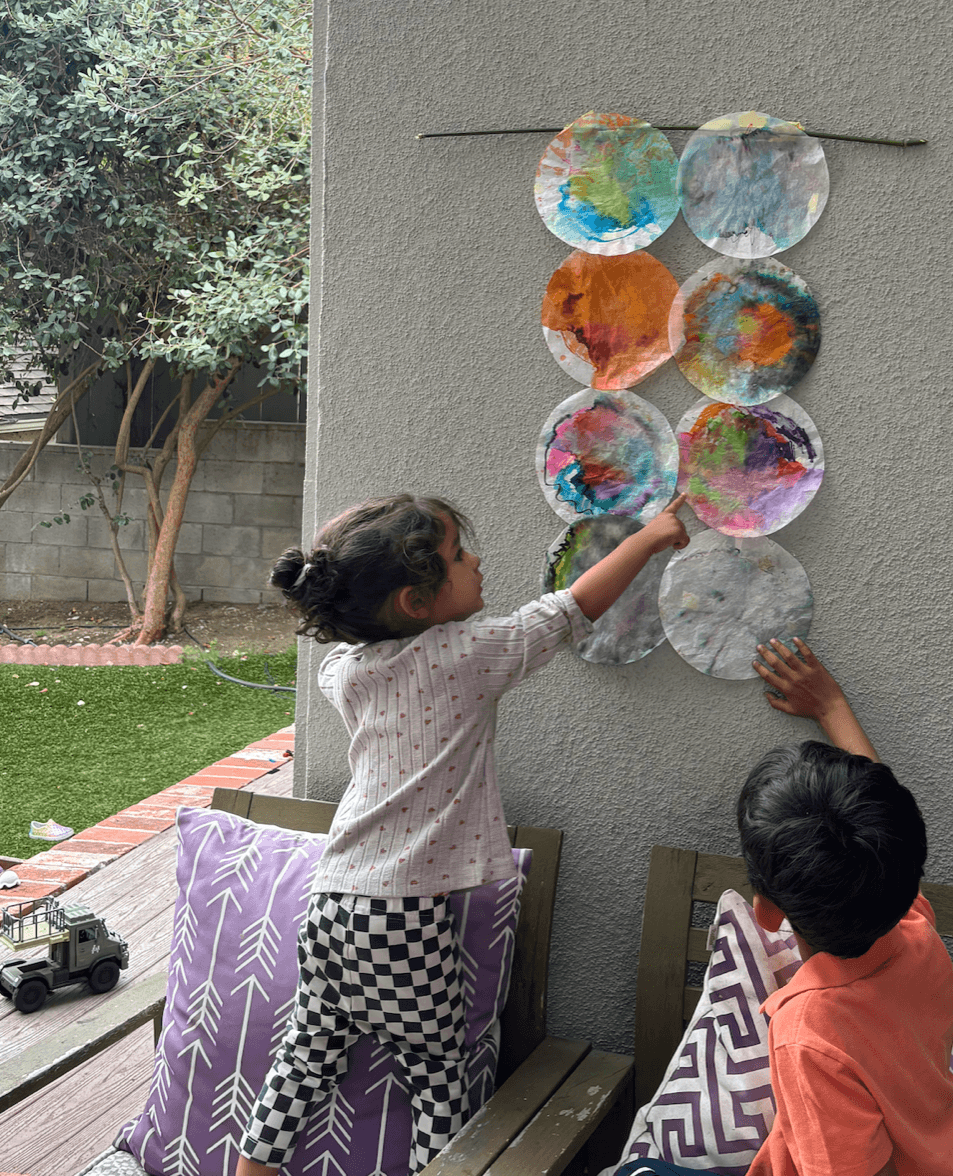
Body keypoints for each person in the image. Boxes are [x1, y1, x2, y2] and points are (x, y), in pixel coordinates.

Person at [236, 491, 690, 1176]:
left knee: (308, 1053)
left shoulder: (345, 672)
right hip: (399, 916)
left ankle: (250, 1169)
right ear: (416, 603)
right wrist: (651, 537)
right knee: (440, 1066)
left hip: (330, 901)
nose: (476, 560)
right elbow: (569, 608)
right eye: (457, 555)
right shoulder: (463, 655)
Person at [739, 635, 953, 1176]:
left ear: (765, 912)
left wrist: (832, 706)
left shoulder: (808, 1034)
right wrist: (832, 707)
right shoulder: (914, 931)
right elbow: (874, 831)